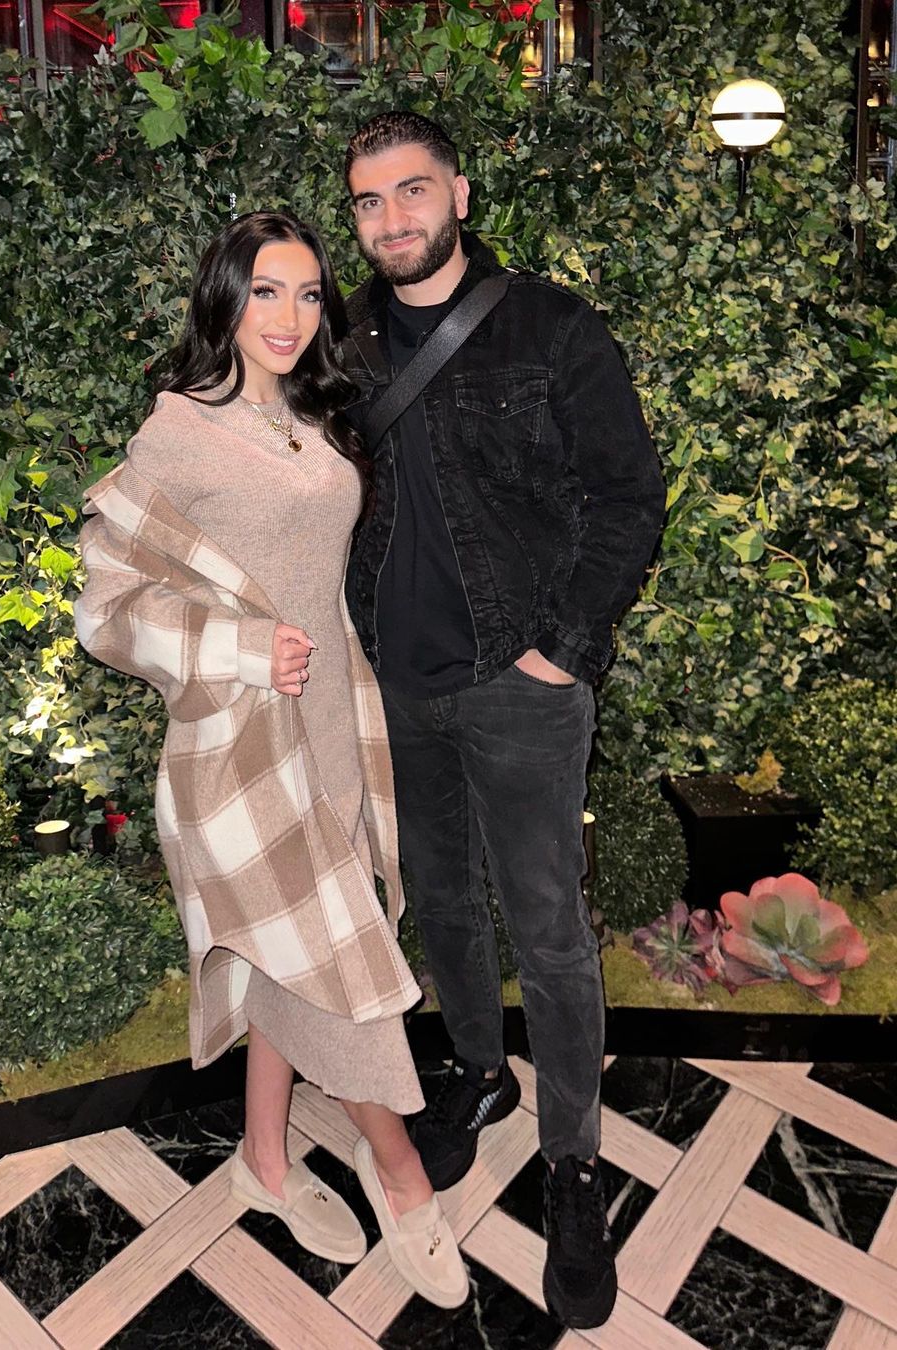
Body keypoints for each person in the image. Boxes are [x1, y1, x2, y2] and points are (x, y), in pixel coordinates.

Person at [73, 211, 469, 1309]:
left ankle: (263, 1160)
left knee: (293, 947)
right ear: (225, 299)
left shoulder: (310, 415)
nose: (288, 316)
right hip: (240, 744)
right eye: (264, 292)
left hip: (335, 724)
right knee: (339, 965)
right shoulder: (179, 433)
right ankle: (402, 1173)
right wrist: (241, 648)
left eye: (306, 293)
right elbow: (104, 608)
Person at [340, 113, 666, 1329]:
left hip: (520, 684)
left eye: (412, 192)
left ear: (459, 194)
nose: (392, 220)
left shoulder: (553, 328)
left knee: (551, 930)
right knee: (439, 896)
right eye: (369, 202)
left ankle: (574, 1163)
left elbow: (630, 497)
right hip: (399, 680)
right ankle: (479, 1072)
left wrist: (559, 652)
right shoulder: (342, 340)